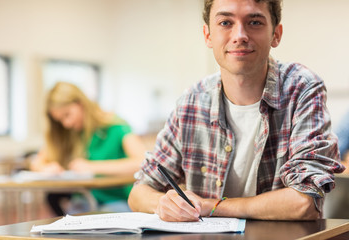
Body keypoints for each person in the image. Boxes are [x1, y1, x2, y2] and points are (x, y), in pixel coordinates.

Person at [128, 0, 345, 222]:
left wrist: (211, 206)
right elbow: (139, 193)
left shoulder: (301, 88)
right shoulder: (191, 102)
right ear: (208, 35)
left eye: (254, 22)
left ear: (276, 34)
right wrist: (163, 204)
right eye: (225, 22)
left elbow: (304, 202)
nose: (240, 35)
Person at [30, 81, 146, 215]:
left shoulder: (116, 126)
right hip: (84, 201)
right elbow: (37, 162)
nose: (66, 124)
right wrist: (46, 168)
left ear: (80, 103)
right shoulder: (69, 133)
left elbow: (142, 162)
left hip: (116, 201)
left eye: (67, 114)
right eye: (60, 120)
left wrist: (91, 167)